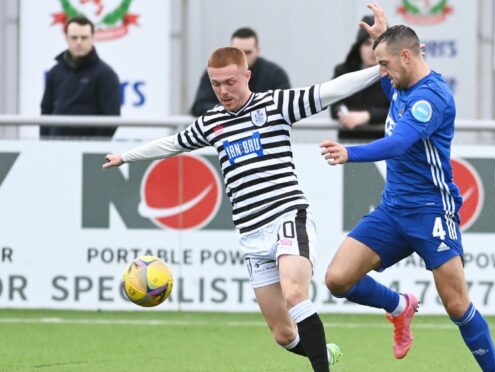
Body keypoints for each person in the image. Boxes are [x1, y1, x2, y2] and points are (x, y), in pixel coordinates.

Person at [102, 9, 386, 370]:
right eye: (216, 84)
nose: (223, 91)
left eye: (230, 83)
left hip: (287, 216)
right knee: (283, 334)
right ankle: (323, 352)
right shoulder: (212, 122)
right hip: (251, 234)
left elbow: (329, 91)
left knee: (295, 293)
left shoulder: (274, 105)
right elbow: (173, 143)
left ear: (246, 75)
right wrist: (126, 156)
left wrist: (381, 68)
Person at [319, 4, 495, 371]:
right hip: (392, 209)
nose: (381, 73)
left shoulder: (431, 98)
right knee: (337, 280)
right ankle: (400, 307)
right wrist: (379, 39)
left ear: (406, 56)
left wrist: (349, 153)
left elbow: (398, 143)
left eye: (384, 64)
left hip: (432, 211)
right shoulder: (400, 79)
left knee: (456, 304)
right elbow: (390, 76)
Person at [40, 15, 120, 139]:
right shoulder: (55, 72)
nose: (79, 42)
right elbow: (46, 111)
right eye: (74, 37)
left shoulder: (106, 74)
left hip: (88, 152)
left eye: (84, 37)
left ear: (93, 37)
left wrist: (92, 147)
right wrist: (45, 143)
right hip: (55, 148)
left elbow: (111, 118)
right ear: (66, 38)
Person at [190, 27, 291, 116]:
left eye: (247, 52)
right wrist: (232, 109)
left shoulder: (275, 74)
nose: (243, 57)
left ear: (257, 51)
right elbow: (199, 106)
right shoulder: (217, 73)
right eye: (237, 51)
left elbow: (285, 105)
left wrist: (239, 109)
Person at [330, 15, 389, 141]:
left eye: (377, 44)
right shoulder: (343, 71)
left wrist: (368, 115)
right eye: (367, 44)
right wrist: (344, 114)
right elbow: (334, 105)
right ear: (358, 47)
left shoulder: (395, 74)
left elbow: (400, 109)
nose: (372, 50)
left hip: (384, 146)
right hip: (348, 145)